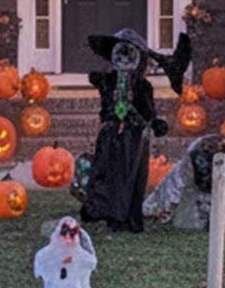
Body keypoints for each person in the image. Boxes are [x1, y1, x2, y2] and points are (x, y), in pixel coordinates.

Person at [79, 28, 189, 233]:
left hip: (134, 137)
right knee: (106, 173)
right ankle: (103, 211)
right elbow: (107, 104)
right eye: (120, 54)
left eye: (128, 54)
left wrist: (155, 122)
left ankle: (129, 217)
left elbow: (148, 111)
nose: (124, 60)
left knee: (131, 177)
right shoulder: (108, 81)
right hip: (111, 134)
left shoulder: (143, 86)